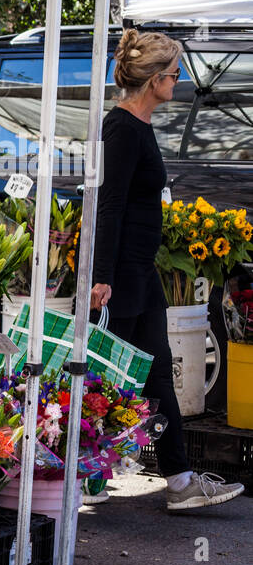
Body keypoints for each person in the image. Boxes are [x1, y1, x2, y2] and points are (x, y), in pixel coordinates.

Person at [90, 28, 243, 512]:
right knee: (103, 378)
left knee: (154, 373)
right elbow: (108, 205)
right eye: (175, 74)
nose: (179, 82)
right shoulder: (121, 128)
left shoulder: (140, 124)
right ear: (154, 79)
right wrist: (101, 276)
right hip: (121, 277)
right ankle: (84, 474)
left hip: (140, 272)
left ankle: (178, 480)